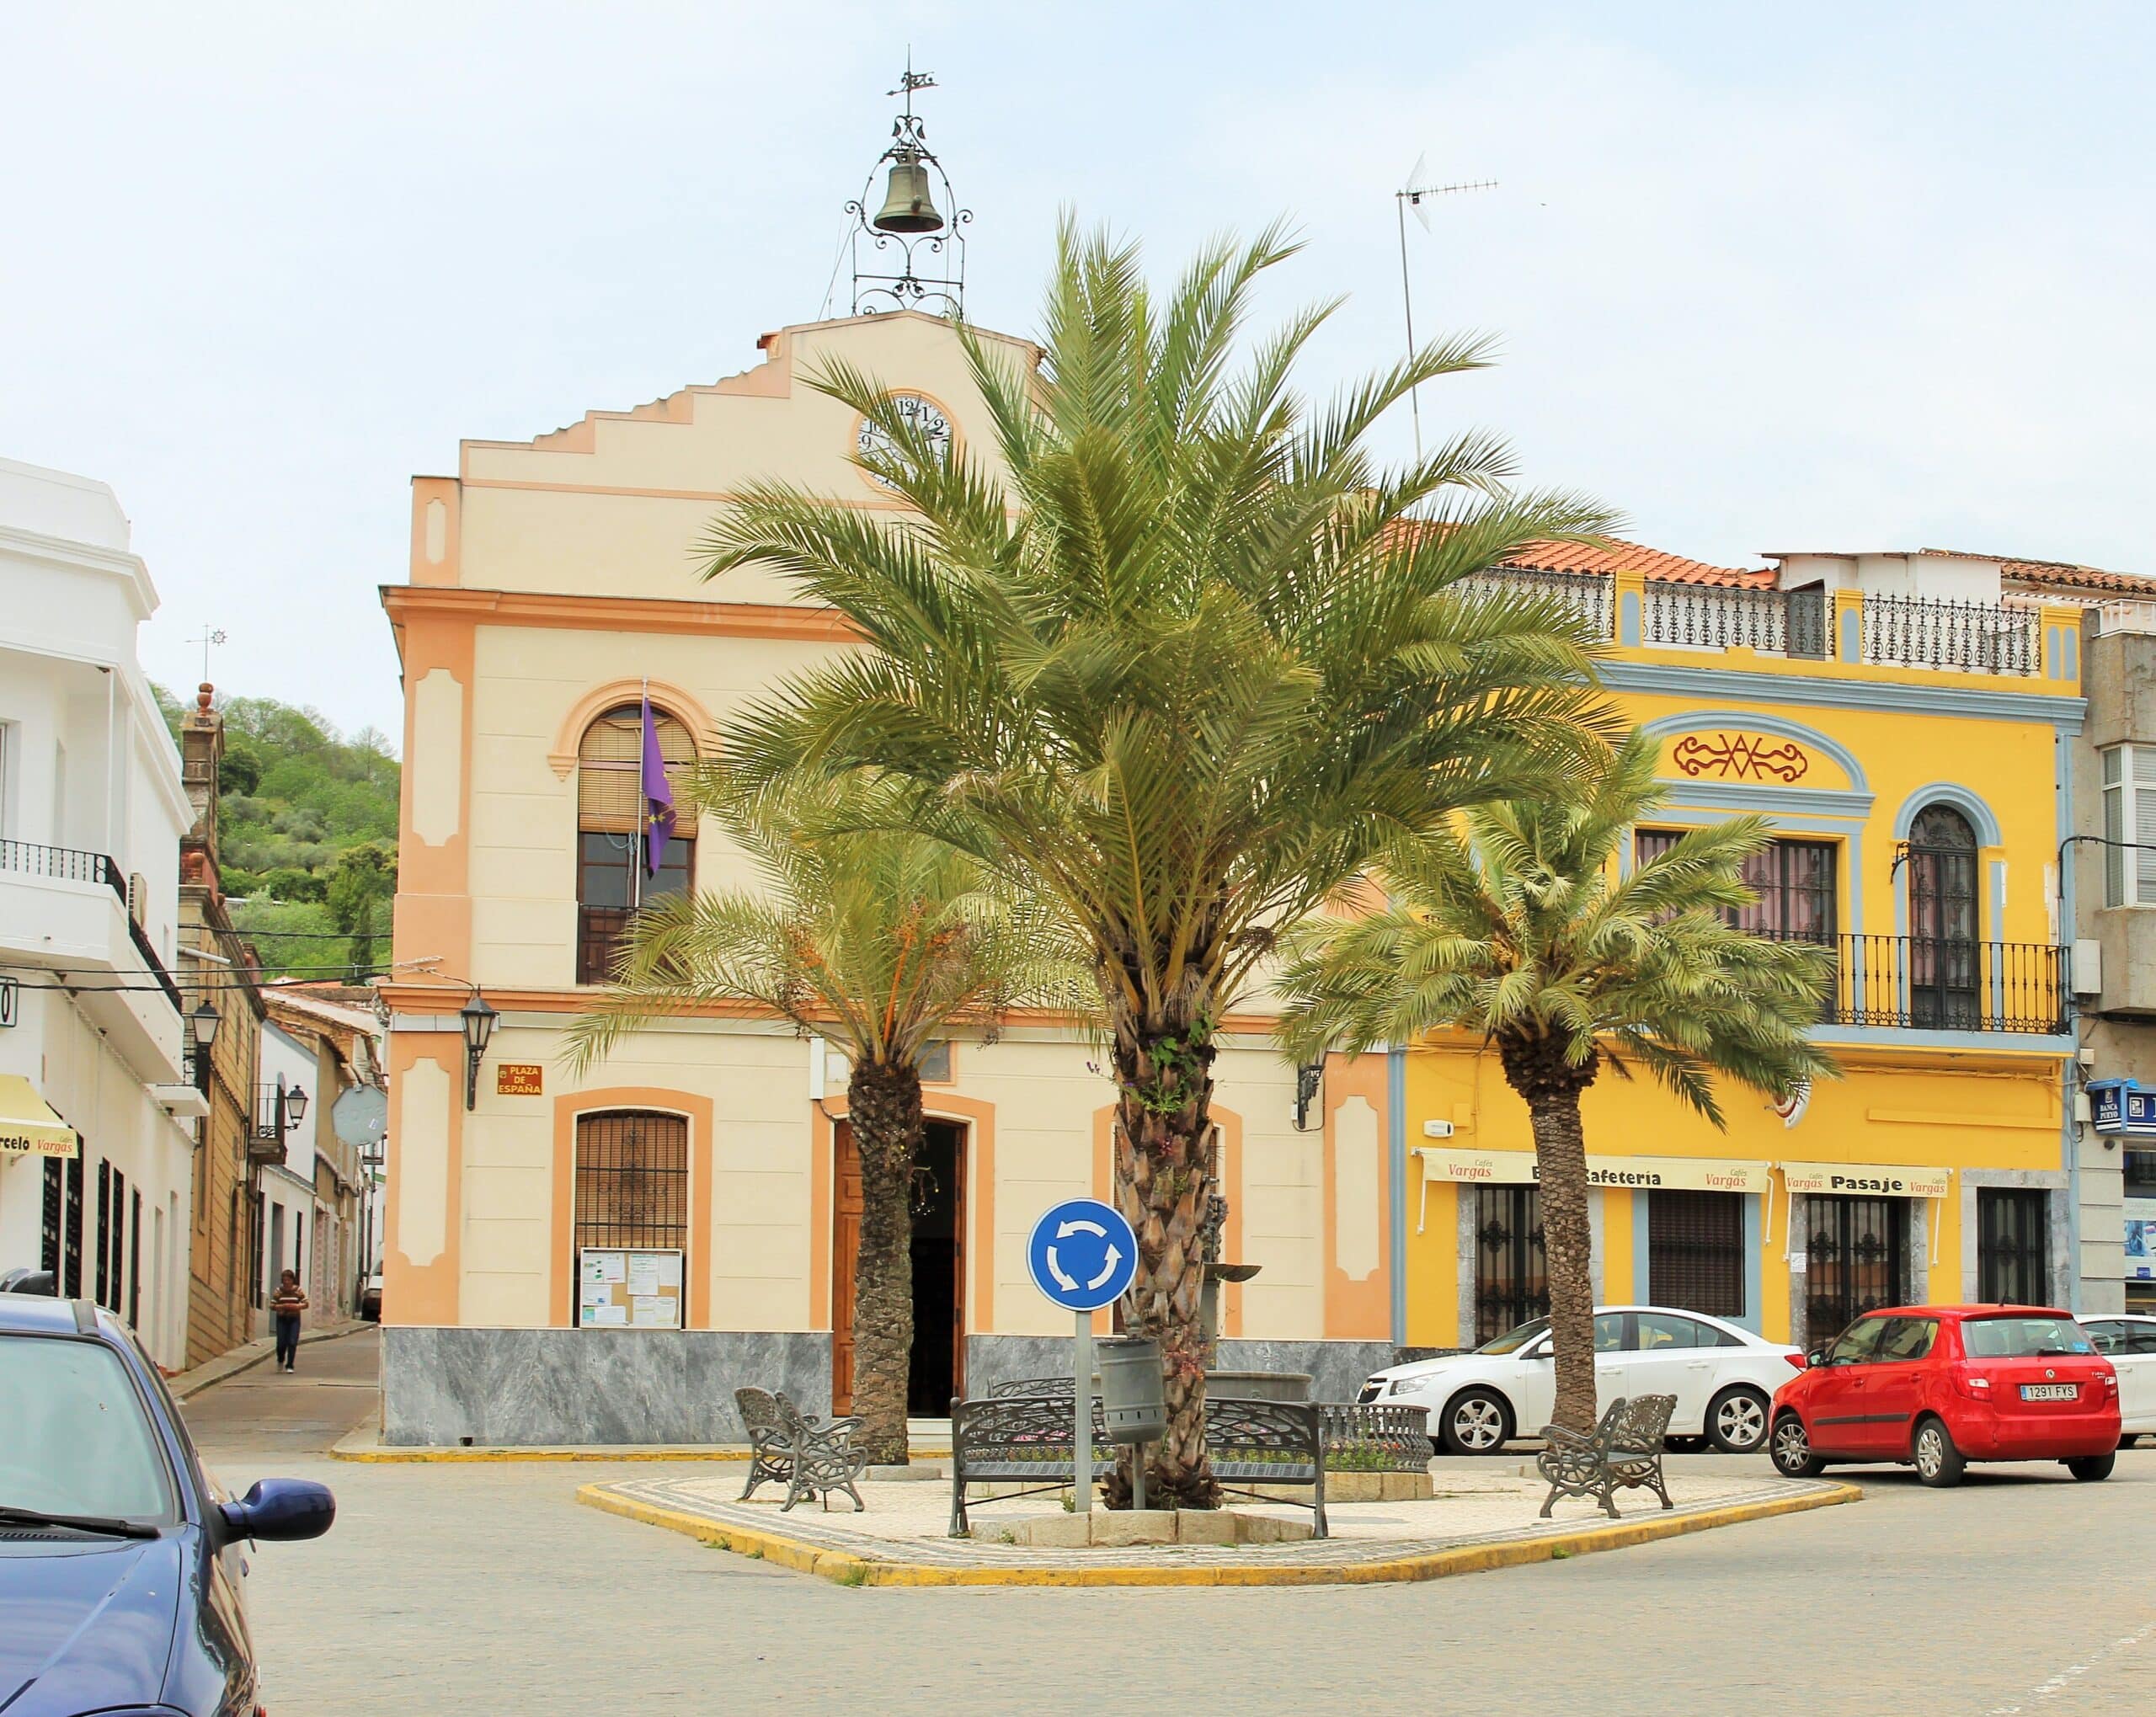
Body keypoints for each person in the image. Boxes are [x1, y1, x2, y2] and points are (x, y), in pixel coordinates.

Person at [270, 1269, 308, 1373]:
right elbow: (272, 1305)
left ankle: (290, 1365)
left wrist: (296, 1306)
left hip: (294, 1319)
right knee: (281, 1343)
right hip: (282, 1319)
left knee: (292, 1342)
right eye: (284, 1280)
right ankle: (281, 1359)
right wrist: (282, 1306)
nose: (286, 1282)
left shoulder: (298, 1290)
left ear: (292, 1280)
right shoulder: (279, 1291)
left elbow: (306, 1303)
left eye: (288, 1280)